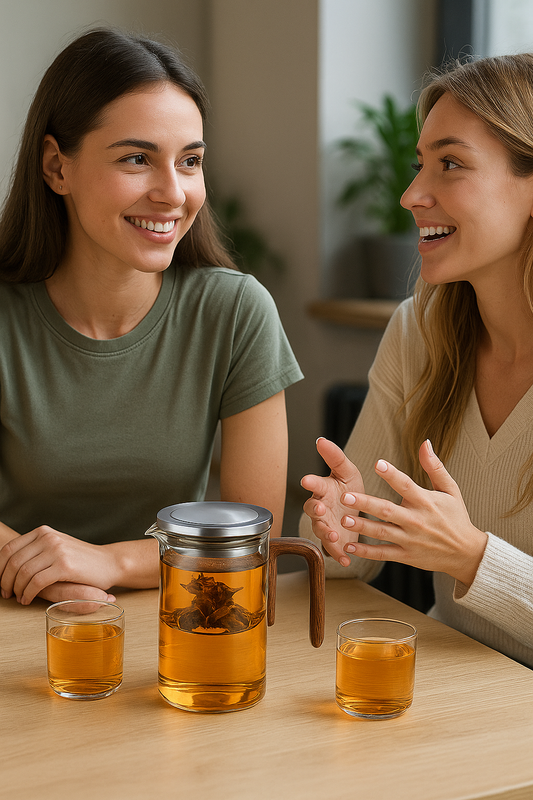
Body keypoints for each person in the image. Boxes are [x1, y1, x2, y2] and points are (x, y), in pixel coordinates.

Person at [0, 28, 302, 606]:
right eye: (137, 159)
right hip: (17, 615)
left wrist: (106, 563)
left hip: (181, 618)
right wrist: (59, 581)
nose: (172, 192)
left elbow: (254, 540)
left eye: (189, 162)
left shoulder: (236, 311)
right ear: (56, 167)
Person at [300, 53, 533, 668]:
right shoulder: (419, 332)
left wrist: (471, 558)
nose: (411, 196)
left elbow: (462, 557)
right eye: (419, 165)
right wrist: (341, 528)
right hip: (443, 682)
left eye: (450, 164)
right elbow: (342, 563)